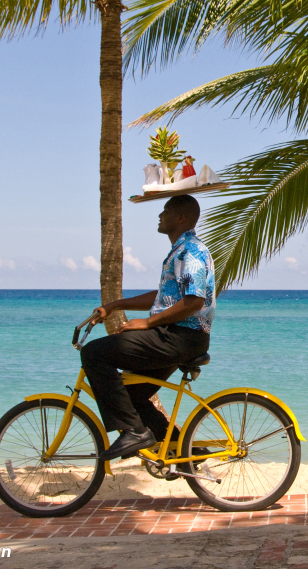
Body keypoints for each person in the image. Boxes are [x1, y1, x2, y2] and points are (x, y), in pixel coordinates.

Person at [83, 194, 215, 461]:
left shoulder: (191, 251)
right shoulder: (181, 249)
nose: (159, 215)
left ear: (180, 217)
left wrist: (147, 322)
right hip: (176, 336)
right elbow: (164, 297)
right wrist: (115, 305)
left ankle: (134, 432)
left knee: (93, 353)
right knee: (130, 395)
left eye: (165, 211)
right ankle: (180, 450)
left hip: (179, 337)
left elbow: (194, 300)